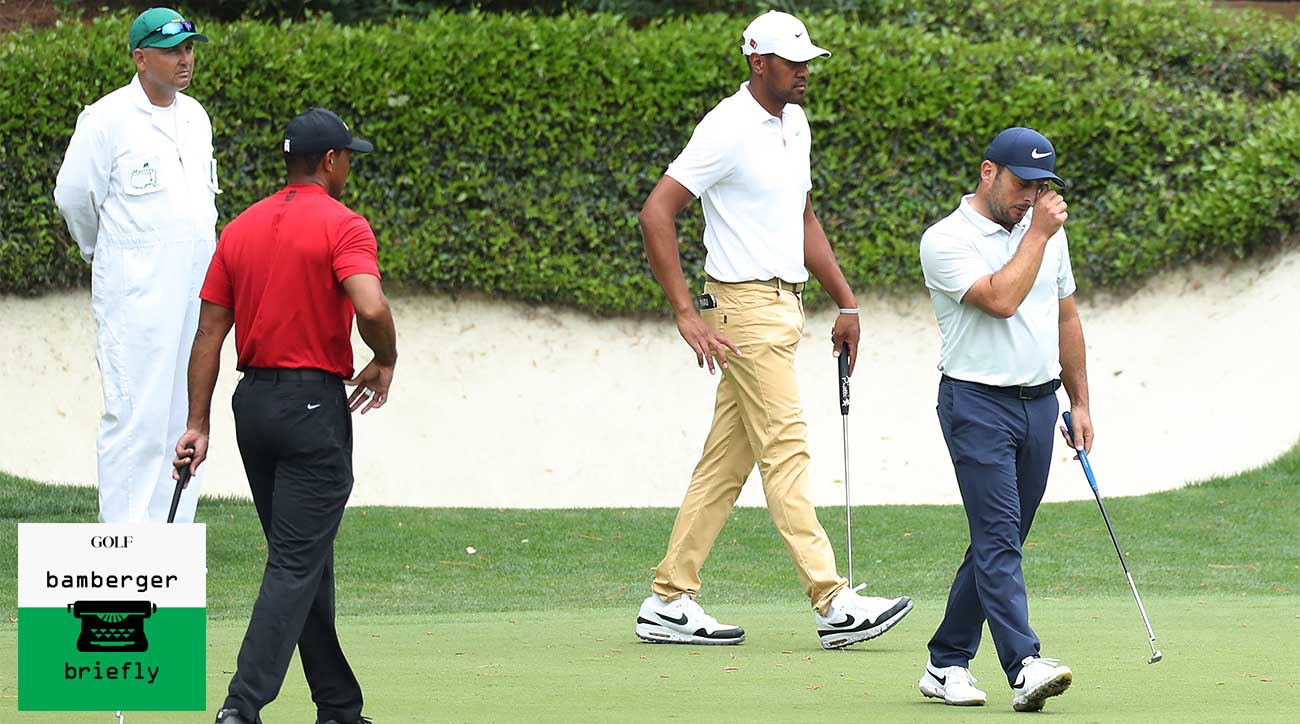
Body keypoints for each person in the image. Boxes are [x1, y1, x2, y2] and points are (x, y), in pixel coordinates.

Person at [634, 10, 912, 650]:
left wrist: (846, 302)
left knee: (725, 464)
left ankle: (667, 600)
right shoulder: (726, 128)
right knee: (785, 449)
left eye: (808, 61)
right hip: (743, 309)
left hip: (784, 307)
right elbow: (657, 213)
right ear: (759, 62)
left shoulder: (796, 122)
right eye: (794, 62)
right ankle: (832, 600)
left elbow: (803, 218)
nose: (805, 72)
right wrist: (684, 311)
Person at [172, 108, 395, 724]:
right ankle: (240, 708)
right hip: (312, 407)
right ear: (330, 161)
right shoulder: (345, 225)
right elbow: (371, 305)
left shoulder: (240, 228)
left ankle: (338, 709)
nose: (350, 165)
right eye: (349, 155)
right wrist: (386, 356)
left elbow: (208, 336)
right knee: (295, 563)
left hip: (253, 409)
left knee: (305, 558)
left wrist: (199, 424)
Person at [917, 127, 1092, 712]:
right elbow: (1000, 299)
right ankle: (1024, 665)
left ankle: (945, 662)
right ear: (989, 172)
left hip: (1040, 403)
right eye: (1023, 184)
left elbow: (1065, 318)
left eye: (1043, 187)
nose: (1032, 197)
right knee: (997, 538)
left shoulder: (1046, 233)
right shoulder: (946, 239)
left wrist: (1081, 401)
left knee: (1002, 539)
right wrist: (1039, 234)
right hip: (976, 404)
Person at [53, 7, 216, 523]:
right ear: (140, 58)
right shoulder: (105, 119)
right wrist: (97, 251)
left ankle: (172, 545)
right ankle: (124, 549)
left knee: (182, 417)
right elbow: (74, 196)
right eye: (172, 51)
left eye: (189, 48)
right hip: (134, 293)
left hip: (193, 289)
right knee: (134, 417)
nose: (184, 59)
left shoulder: (196, 117)